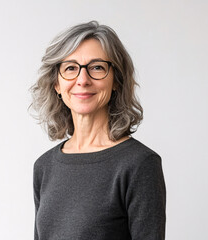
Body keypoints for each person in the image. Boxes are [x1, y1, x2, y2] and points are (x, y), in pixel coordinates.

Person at [28, 21, 166, 240]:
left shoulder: (139, 164)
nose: (83, 80)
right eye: (71, 68)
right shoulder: (44, 167)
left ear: (116, 81)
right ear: (56, 84)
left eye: (97, 67)